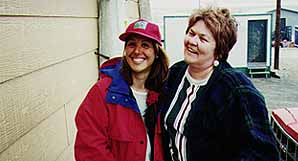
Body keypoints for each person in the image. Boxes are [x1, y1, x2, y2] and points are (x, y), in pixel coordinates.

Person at [160, 7, 279, 161]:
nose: (192, 41)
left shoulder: (236, 89)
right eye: (191, 33)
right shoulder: (176, 73)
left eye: (203, 39)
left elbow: (264, 153)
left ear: (220, 49)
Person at [74, 19, 169, 161]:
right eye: (132, 44)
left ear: (156, 53)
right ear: (125, 51)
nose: (137, 51)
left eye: (145, 45)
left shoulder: (166, 92)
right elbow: (90, 149)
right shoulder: (102, 92)